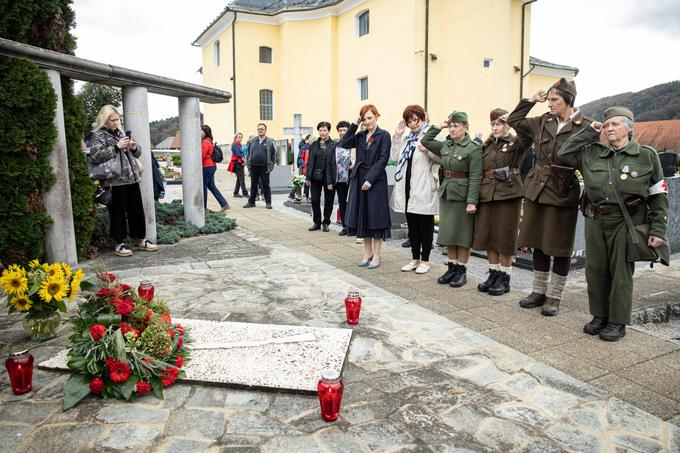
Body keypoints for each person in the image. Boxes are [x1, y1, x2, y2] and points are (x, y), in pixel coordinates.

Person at [557, 106, 668, 341]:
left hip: (627, 221)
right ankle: (599, 315)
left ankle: (617, 321)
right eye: (606, 125)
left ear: (628, 128)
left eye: (614, 124)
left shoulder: (646, 155)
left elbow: (658, 194)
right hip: (596, 219)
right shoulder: (592, 153)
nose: (608, 129)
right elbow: (563, 154)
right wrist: (589, 131)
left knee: (620, 272)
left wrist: (658, 229)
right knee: (595, 270)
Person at [508, 78, 591, 316]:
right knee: (537, 243)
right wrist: (531, 101)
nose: (550, 103)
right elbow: (514, 121)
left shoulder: (585, 126)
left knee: (560, 247)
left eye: (555, 100)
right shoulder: (542, 121)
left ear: (569, 101)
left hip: (563, 190)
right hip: (536, 187)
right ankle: (538, 292)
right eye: (550, 99)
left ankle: (554, 296)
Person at [421, 111, 482, 287]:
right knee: (449, 234)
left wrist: (472, 201)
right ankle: (452, 268)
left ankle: (461, 271)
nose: (453, 128)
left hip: (463, 198)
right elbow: (425, 141)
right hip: (447, 194)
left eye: (457, 125)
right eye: (452, 125)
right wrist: (440, 125)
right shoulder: (446, 145)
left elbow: (476, 176)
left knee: (462, 236)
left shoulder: (473, 148)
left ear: (466, 127)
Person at [473, 109, 530, 295]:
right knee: (489, 236)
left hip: (508, 193)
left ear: (507, 124)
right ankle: (494, 273)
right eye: (493, 124)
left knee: (505, 238)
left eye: (499, 123)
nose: (495, 127)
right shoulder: (488, 146)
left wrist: (514, 121)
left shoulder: (515, 143)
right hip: (488, 193)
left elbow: (527, 137)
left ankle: (505, 278)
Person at [89, 105, 158, 257]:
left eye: (117, 119)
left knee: (137, 210)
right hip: (113, 180)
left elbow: (138, 152)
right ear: (104, 120)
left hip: (131, 178)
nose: (116, 122)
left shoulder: (120, 132)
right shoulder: (98, 135)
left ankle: (140, 239)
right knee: (117, 213)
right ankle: (119, 243)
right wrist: (116, 147)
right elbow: (95, 157)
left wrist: (133, 146)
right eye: (112, 120)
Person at [339, 104, 392, 269]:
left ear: (376, 116)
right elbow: (345, 142)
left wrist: (370, 180)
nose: (368, 121)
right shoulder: (360, 135)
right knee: (363, 217)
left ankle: (377, 255)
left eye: (370, 118)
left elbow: (383, 160)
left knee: (375, 218)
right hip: (359, 178)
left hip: (375, 181)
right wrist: (354, 124)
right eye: (365, 118)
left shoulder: (384, 135)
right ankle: (367, 252)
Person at [390, 105, 440, 274]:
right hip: (407, 187)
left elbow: (441, 157)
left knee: (425, 226)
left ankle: (425, 260)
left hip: (424, 186)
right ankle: (414, 259)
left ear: (422, 118)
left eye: (415, 120)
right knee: (412, 227)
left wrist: (428, 150)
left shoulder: (431, 136)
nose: (412, 124)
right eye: (409, 121)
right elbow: (394, 157)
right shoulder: (407, 139)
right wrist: (397, 135)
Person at [306, 122, 337, 231]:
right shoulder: (314, 145)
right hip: (315, 177)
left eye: (325, 130)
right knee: (314, 200)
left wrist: (332, 180)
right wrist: (308, 177)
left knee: (329, 201)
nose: (323, 133)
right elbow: (309, 161)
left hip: (329, 178)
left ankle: (326, 222)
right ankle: (317, 222)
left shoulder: (334, 145)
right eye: (321, 130)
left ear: (329, 131)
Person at [326, 121, 354, 236]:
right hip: (339, 181)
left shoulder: (354, 144)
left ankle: (354, 226)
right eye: (340, 130)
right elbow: (328, 164)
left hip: (351, 180)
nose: (342, 132)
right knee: (342, 204)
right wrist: (329, 181)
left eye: (345, 130)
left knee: (353, 204)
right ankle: (345, 226)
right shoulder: (334, 146)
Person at [244, 123, 276, 209]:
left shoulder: (270, 141)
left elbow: (273, 155)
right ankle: (251, 202)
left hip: (264, 167)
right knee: (253, 185)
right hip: (254, 166)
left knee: (265, 185)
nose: (260, 130)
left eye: (262, 129)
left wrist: (271, 166)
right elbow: (248, 154)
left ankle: (268, 202)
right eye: (258, 129)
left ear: (265, 130)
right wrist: (248, 164)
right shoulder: (252, 141)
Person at [200, 125, 230, 212]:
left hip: (206, 167)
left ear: (205, 132)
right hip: (211, 166)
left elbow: (202, 155)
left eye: (201, 131)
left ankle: (203, 208)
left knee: (203, 187)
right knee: (212, 186)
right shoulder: (209, 141)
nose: (199, 132)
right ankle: (224, 204)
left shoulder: (205, 142)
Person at [230, 132, 249, 198]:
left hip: (240, 163)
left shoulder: (239, 144)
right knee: (241, 178)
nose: (240, 138)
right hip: (237, 163)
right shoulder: (234, 144)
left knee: (239, 178)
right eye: (239, 137)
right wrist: (244, 160)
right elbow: (238, 154)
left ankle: (235, 193)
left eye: (241, 137)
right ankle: (245, 193)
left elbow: (242, 153)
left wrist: (244, 160)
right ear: (235, 137)